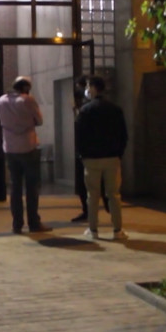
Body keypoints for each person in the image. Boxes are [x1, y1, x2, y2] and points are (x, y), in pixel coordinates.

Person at [0, 76, 53, 234]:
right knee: (31, 187)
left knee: (15, 187)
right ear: (26, 88)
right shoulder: (27, 100)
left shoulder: (2, 100)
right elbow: (39, 120)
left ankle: (17, 224)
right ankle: (34, 223)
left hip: (10, 148)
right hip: (28, 147)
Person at [76, 75, 128, 240]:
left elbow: (80, 136)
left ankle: (93, 229)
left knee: (93, 195)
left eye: (88, 86)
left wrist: (82, 155)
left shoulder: (85, 110)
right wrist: (118, 153)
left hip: (91, 159)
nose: (86, 89)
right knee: (114, 194)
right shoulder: (115, 109)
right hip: (112, 158)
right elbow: (123, 135)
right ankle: (117, 230)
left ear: (93, 88)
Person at [70, 75, 109, 223]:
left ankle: (91, 217)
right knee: (105, 184)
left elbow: (81, 128)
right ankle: (110, 209)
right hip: (106, 152)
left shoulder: (86, 108)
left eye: (85, 87)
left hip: (89, 153)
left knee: (88, 186)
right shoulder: (108, 106)